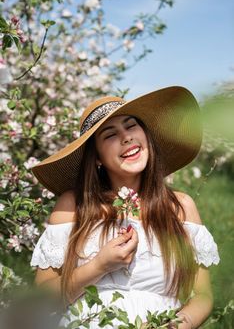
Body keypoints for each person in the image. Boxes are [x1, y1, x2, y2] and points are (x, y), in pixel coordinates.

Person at [30, 86, 220, 328]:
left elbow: (203, 295)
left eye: (131, 126)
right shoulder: (74, 206)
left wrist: (178, 325)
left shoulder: (180, 208)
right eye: (110, 135)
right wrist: (99, 266)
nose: (126, 137)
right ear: (97, 157)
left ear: (146, 136)